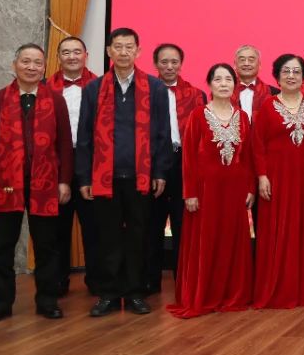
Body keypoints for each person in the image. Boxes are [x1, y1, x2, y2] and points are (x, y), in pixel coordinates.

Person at [0, 44, 73, 324]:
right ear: (14, 65)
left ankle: (48, 301)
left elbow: (65, 145)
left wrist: (64, 182)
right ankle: (0, 303)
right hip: (5, 185)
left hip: (46, 185)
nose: (31, 67)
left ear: (44, 68)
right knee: (2, 247)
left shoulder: (56, 101)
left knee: (47, 247)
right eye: (26, 61)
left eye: (37, 63)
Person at [76, 27, 173, 317]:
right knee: (107, 237)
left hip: (141, 177)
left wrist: (160, 172)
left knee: (138, 237)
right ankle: (108, 294)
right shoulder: (94, 89)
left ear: (138, 51)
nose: (123, 52)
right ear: (109, 51)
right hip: (104, 177)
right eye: (117, 47)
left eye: (129, 47)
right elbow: (84, 136)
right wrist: (84, 177)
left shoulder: (155, 88)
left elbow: (163, 134)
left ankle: (134, 293)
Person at [168, 63, 256, 318]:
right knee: (206, 241)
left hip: (235, 190)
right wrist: (190, 193)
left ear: (234, 85)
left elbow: (248, 157)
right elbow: (188, 159)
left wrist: (250, 187)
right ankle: (204, 295)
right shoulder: (198, 115)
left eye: (228, 79)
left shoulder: (243, 117)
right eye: (218, 79)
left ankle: (232, 294)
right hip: (205, 191)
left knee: (231, 240)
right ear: (209, 84)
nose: (224, 84)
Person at [252, 54, 304, 309]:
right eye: (286, 71)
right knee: (276, 230)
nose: (291, 76)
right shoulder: (267, 106)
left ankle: (303, 287)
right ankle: (276, 288)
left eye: (296, 71)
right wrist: (262, 176)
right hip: (276, 178)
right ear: (277, 76)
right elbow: (257, 145)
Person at [145, 43, 206, 296]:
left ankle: (185, 280)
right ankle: (150, 281)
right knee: (152, 223)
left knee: (184, 223)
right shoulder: (145, 92)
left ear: (181, 64)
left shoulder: (196, 94)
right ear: (155, 64)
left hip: (184, 162)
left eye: (174, 62)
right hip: (154, 163)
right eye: (164, 62)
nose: (169, 67)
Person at [47, 35, 98, 297]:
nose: (72, 57)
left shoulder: (101, 86)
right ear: (58, 58)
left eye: (77, 52)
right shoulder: (45, 88)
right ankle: (57, 282)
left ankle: (98, 282)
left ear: (86, 56)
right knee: (57, 228)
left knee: (95, 227)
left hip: (92, 163)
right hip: (56, 164)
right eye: (66, 52)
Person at [233, 45, 277, 119]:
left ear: (259, 65)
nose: (246, 63)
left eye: (251, 60)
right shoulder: (225, 92)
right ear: (234, 65)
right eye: (242, 60)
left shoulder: (274, 93)